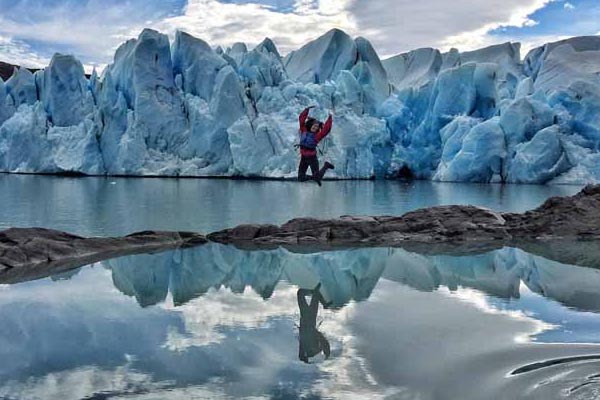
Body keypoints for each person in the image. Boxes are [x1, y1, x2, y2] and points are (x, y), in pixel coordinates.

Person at [297, 106, 335, 186]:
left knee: (318, 177)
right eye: (314, 126)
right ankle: (315, 177)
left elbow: (326, 129)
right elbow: (301, 119)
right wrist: (306, 110)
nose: (315, 127)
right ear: (310, 125)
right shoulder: (303, 130)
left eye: (317, 127)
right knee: (300, 178)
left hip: (312, 158)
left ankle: (326, 166)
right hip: (303, 157)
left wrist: (330, 117)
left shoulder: (317, 136)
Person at [297, 283, 331, 363]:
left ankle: (322, 301)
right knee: (301, 293)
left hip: (307, 317)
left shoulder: (306, 346)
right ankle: (321, 299)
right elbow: (323, 341)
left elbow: (323, 341)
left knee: (304, 293)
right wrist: (327, 353)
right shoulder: (307, 346)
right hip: (309, 317)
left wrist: (327, 353)